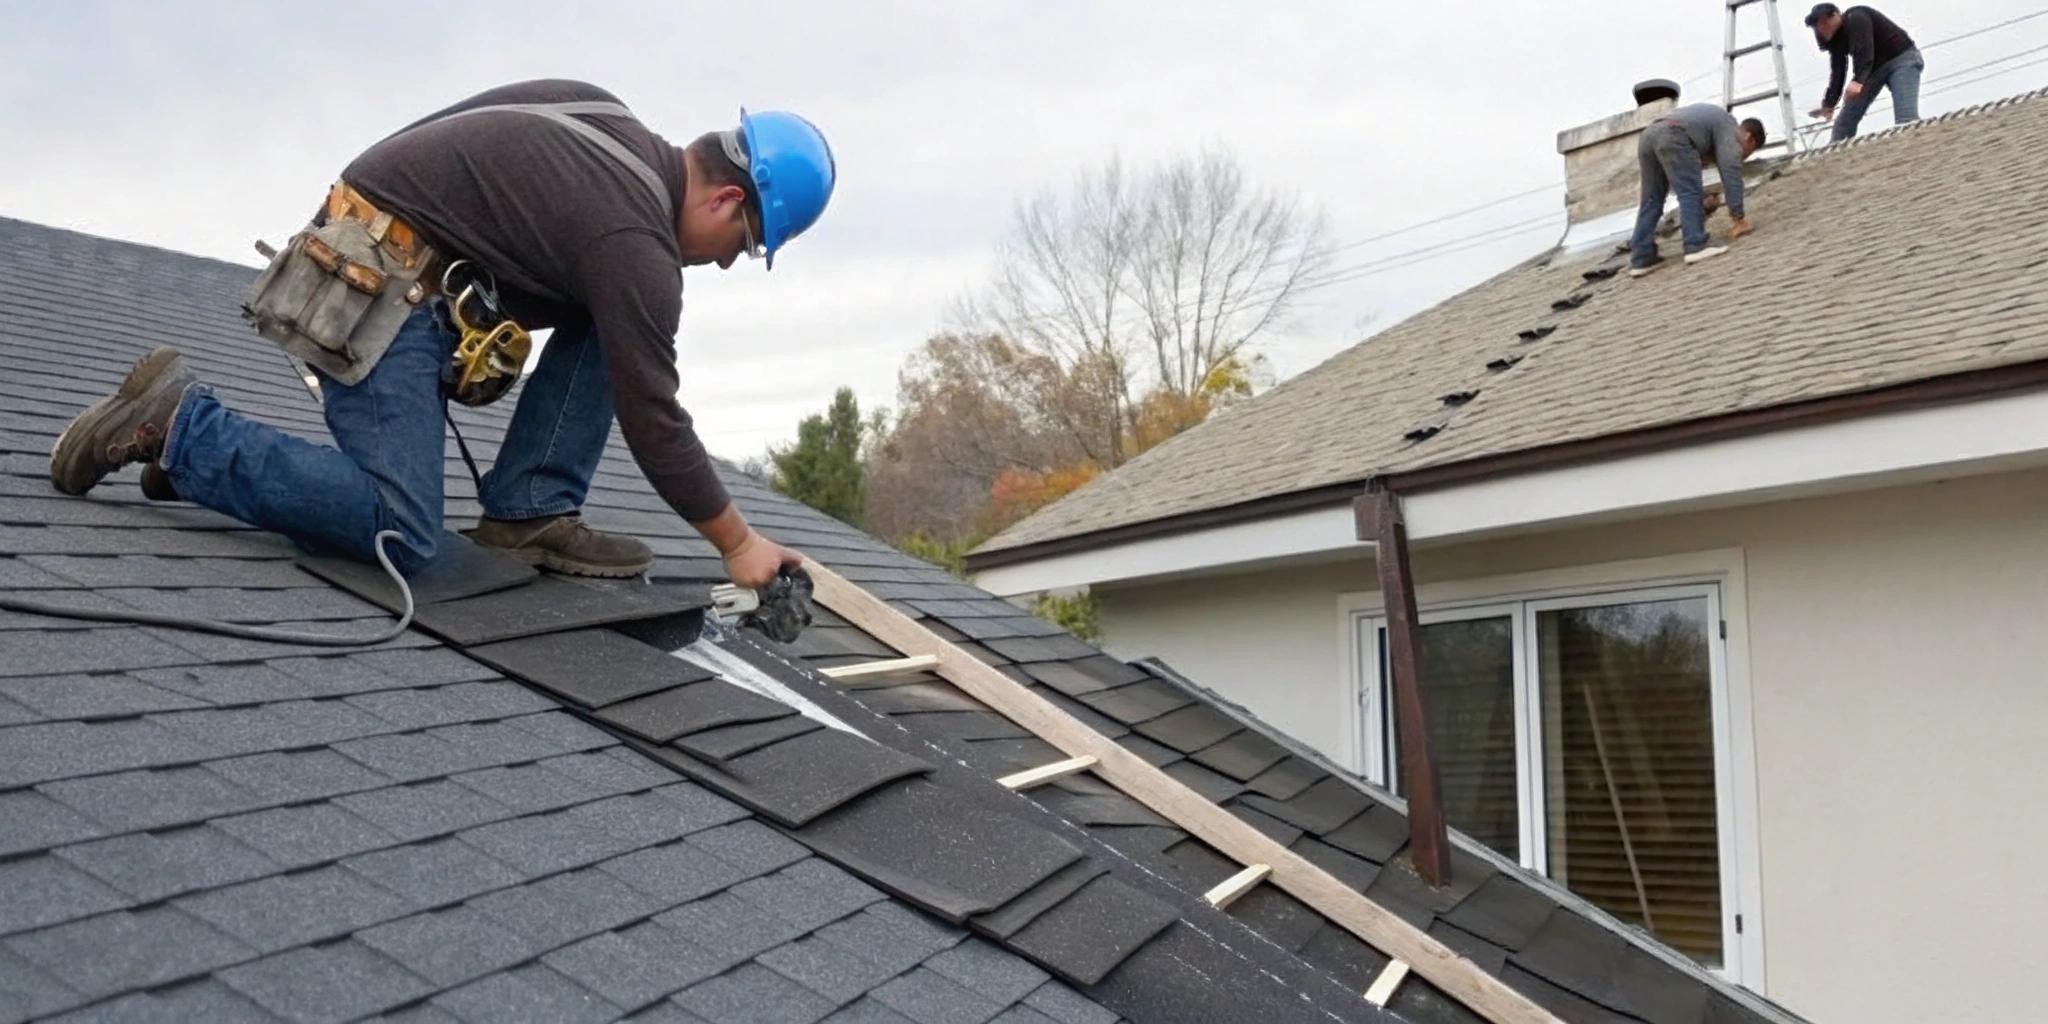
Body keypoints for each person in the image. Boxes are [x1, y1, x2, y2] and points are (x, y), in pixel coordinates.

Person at [48, 80, 833, 587]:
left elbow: (433, 151)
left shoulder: (606, 120)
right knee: (402, 528)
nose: (725, 262)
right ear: (727, 200)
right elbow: (653, 417)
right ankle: (183, 429)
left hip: (389, 255)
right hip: (377, 285)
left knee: (621, 324)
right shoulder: (634, 243)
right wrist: (739, 545)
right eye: (742, 246)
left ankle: (529, 509)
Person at [1629, 105, 1765, 277]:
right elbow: (1731, 171)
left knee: (1651, 199)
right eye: (1748, 152)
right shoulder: (1731, 130)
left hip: (1649, 135)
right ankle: (1696, 244)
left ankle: (1641, 257)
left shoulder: (1712, 124)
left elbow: (1680, 173)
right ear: (1749, 138)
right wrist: (1738, 216)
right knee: (1690, 193)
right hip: (1673, 134)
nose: (1743, 156)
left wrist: (1705, 200)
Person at [1806, 4, 1923, 141]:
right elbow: (1838, 72)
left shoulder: (1856, 17)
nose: (1823, 29)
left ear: (1836, 15)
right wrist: (1829, 104)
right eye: (1819, 26)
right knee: (1842, 125)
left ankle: (1918, 145)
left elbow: (1865, 51)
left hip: (1901, 59)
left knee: (1906, 120)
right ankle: (1837, 150)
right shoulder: (1835, 41)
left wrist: (1858, 81)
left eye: (1826, 23)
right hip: (1873, 70)